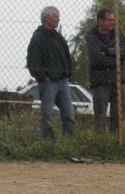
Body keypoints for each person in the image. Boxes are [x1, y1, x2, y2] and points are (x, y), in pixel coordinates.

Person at [27, 6, 75, 141]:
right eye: (55, 16)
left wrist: (67, 73)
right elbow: (33, 62)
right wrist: (43, 78)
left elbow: (67, 56)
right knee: (47, 116)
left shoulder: (59, 37)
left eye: (58, 16)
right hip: (48, 83)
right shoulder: (37, 37)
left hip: (62, 82)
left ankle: (69, 143)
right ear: (46, 19)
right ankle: (48, 144)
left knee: (69, 114)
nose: (58, 19)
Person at [86, 7, 125, 132]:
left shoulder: (118, 35)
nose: (112, 22)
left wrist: (107, 52)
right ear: (100, 21)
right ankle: (99, 145)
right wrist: (117, 59)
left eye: (113, 20)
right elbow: (96, 60)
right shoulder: (91, 37)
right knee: (100, 116)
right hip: (101, 81)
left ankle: (116, 143)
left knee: (118, 116)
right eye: (109, 20)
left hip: (119, 79)